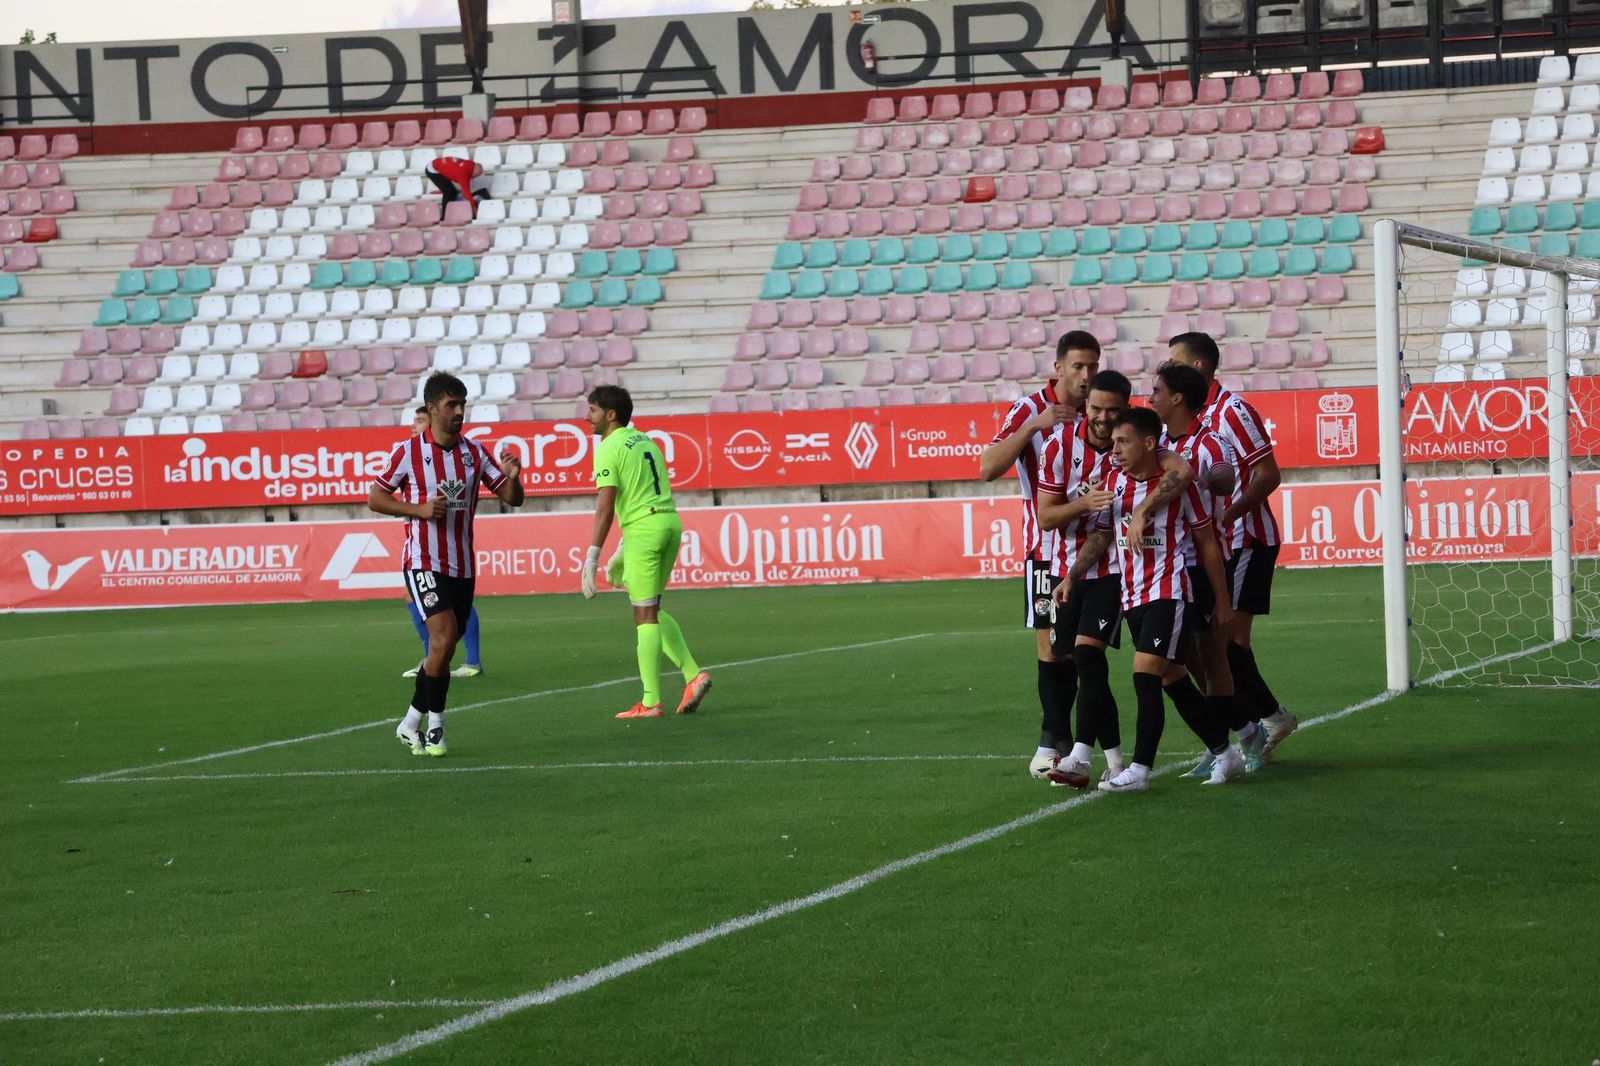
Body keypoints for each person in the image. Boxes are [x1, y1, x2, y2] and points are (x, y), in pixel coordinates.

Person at [1060, 407, 1242, 792]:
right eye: (1114, 442)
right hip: (1132, 594)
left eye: (1124, 441)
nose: (1116, 449)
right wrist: (1071, 577)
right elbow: (1102, 535)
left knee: (1144, 676)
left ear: (1148, 443)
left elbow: (1207, 543)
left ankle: (1139, 771)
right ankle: (1227, 753)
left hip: (1169, 590)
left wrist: (1222, 601)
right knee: (1173, 681)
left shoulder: (1178, 485)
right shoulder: (1112, 481)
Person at [368, 373, 524, 757]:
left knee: (445, 647)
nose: (459, 412)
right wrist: (418, 509)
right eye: (452, 405)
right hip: (423, 559)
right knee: (443, 636)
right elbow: (376, 497)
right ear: (433, 407)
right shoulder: (408, 453)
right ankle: (436, 727)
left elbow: (510, 497)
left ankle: (410, 723)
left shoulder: (474, 452)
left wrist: (513, 479)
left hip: (462, 565)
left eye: (462, 405)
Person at [1167, 332, 1298, 759]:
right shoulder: (1188, 419)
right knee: (1203, 646)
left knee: (1224, 642)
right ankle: (1239, 731)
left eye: (1175, 363)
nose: (1167, 370)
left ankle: (1258, 724)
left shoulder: (1232, 411)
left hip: (1246, 539)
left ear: (1199, 368)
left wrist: (1227, 515)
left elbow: (1268, 474)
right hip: (1214, 545)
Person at [977, 331, 1093, 783]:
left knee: (1085, 651)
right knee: (1050, 649)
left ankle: (1073, 746)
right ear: (1058, 368)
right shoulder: (1028, 410)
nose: (1086, 376)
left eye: (1092, 366)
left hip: (1094, 550)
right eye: (1078, 367)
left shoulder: (1100, 411)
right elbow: (987, 468)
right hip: (1043, 552)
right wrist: (1033, 427)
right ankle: (1052, 743)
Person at [1150, 361, 1264, 777]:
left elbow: (1223, 477)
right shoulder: (1157, 441)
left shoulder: (1211, 442)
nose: (1151, 398)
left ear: (1177, 398)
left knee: (1213, 658)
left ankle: (1240, 742)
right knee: (1189, 661)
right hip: (1173, 563)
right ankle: (1230, 737)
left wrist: (1216, 480)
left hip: (1207, 559)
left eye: (1157, 391)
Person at [580, 385, 712, 719]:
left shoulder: (609, 447)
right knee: (652, 607)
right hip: (669, 523)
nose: (586, 417)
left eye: (592, 410)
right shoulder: (646, 440)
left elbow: (605, 507)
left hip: (645, 530)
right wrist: (623, 549)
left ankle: (650, 701)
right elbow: (643, 494)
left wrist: (592, 556)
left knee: (643, 616)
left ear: (611, 414)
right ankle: (693, 675)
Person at [399, 406, 483, 680]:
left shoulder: (456, 457)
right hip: (421, 545)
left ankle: (469, 660)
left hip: (450, 551)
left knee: (453, 605)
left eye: (420, 420)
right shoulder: (409, 454)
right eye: (414, 421)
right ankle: (433, 657)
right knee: (412, 596)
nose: (415, 426)